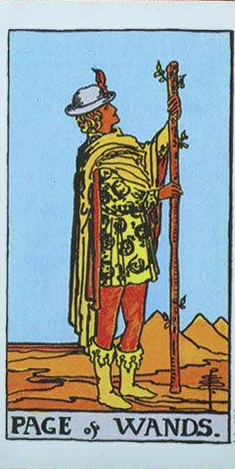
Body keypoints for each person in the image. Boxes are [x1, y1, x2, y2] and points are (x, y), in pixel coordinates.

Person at [66, 69, 182, 409]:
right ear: (95, 117)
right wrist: (157, 195)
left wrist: (171, 121)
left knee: (135, 314)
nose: (114, 110)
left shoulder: (125, 145)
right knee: (107, 318)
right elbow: (116, 198)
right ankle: (106, 388)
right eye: (107, 107)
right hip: (109, 250)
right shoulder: (94, 157)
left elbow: (151, 156)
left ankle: (128, 383)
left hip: (137, 245)